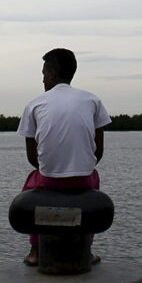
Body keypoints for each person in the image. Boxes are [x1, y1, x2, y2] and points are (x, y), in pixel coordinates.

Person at [16, 48, 112, 266]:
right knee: (94, 181)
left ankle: (35, 250)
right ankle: (86, 250)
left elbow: (32, 156)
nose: (42, 80)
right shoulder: (93, 100)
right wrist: (79, 168)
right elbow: (98, 151)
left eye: (43, 74)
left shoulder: (34, 104)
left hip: (48, 179)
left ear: (51, 74)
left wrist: (53, 170)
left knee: (30, 185)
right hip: (84, 180)